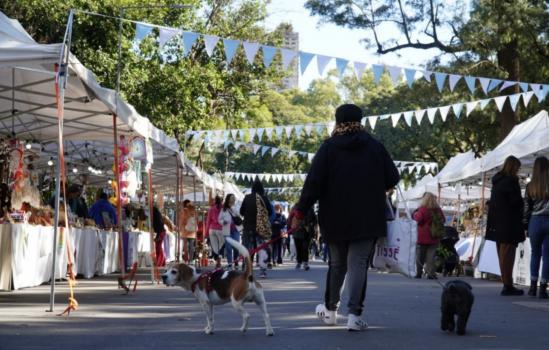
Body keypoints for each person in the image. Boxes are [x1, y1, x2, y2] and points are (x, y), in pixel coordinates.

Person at [292, 104, 400, 331]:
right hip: (368, 216)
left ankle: (330, 311)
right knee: (358, 264)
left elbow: (313, 183)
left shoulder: (328, 148)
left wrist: (300, 211)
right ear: (360, 120)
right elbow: (393, 177)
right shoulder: (374, 146)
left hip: (335, 216)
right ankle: (354, 316)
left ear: (337, 121)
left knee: (337, 263)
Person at [486, 155, 525, 296]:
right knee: (508, 255)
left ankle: (507, 282)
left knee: (502, 255)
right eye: (518, 168)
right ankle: (508, 284)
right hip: (509, 223)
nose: (519, 171)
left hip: (498, 223)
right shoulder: (511, 182)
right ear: (513, 167)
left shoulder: (497, 182)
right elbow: (516, 202)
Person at [523, 156, 549, 299]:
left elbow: (526, 208)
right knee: (548, 256)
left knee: (535, 253)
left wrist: (525, 225)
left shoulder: (530, 185)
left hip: (535, 221)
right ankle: (543, 289)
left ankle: (533, 287)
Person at [240, 179, 273, 278]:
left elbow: (242, 212)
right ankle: (263, 271)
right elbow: (270, 212)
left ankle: (247, 270)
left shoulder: (247, 197)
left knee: (248, 249)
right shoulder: (264, 198)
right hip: (261, 229)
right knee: (262, 249)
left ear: (252, 189)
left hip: (248, 228)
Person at [413, 192, 444, 279]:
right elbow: (443, 219)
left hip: (422, 236)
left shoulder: (422, 209)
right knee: (431, 256)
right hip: (434, 236)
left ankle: (418, 273)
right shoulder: (438, 209)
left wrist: (414, 214)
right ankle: (431, 274)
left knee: (420, 255)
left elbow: (417, 220)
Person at [218, 193, 241, 270]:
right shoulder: (223, 209)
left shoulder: (237, 207)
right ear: (228, 199)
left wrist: (233, 209)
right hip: (227, 231)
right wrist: (222, 222)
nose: (233, 198)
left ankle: (236, 262)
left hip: (236, 230)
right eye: (231, 197)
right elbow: (219, 219)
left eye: (234, 197)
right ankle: (230, 264)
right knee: (228, 248)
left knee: (236, 247)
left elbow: (240, 215)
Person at [291, 206, 316, 271]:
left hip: (306, 233)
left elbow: (315, 221)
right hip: (297, 232)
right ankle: (299, 262)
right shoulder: (295, 208)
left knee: (305, 248)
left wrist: (310, 225)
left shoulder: (310, 209)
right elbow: (290, 219)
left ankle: (305, 263)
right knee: (298, 248)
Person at [205, 196, 224, 268]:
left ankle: (217, 261)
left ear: (215, 201)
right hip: (221, 230)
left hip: (212, 230)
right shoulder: (224, 208)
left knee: (215, 247)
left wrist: (206, 233)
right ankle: (219, 260)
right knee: (221, 247)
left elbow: (208, 222)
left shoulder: (211, 209)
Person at [179, 199, 197, 264]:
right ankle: (191, 260)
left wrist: (180, 228)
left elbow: (181, 221)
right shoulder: (193, 211)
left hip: (185, 231)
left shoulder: (183, 211)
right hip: (192, 231)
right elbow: (195, 220)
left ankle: (186, 260)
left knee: (185, 247)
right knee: (191, 247)